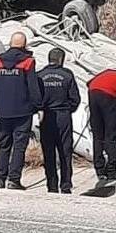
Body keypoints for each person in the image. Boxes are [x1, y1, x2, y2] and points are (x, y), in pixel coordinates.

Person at [0, 32, 42, 190]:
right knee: (19, 146)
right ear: (24, 45)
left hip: (3, 110)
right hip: (23, 110)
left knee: (4, 144)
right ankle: (14, 180)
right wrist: (39, 106)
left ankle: (0, 178)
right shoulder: (28, 61)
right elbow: (33, 87)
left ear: (10, 43)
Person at [37, 48, 81, 194]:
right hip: (63, 116)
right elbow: (75, 99)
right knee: (65, 151)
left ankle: (52, 185)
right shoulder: (67, 75)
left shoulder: (39, 75)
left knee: (48, 152)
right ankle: (66, 184)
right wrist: (68, 109)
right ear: (61, 59)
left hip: (46, 116)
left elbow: (35, 98)